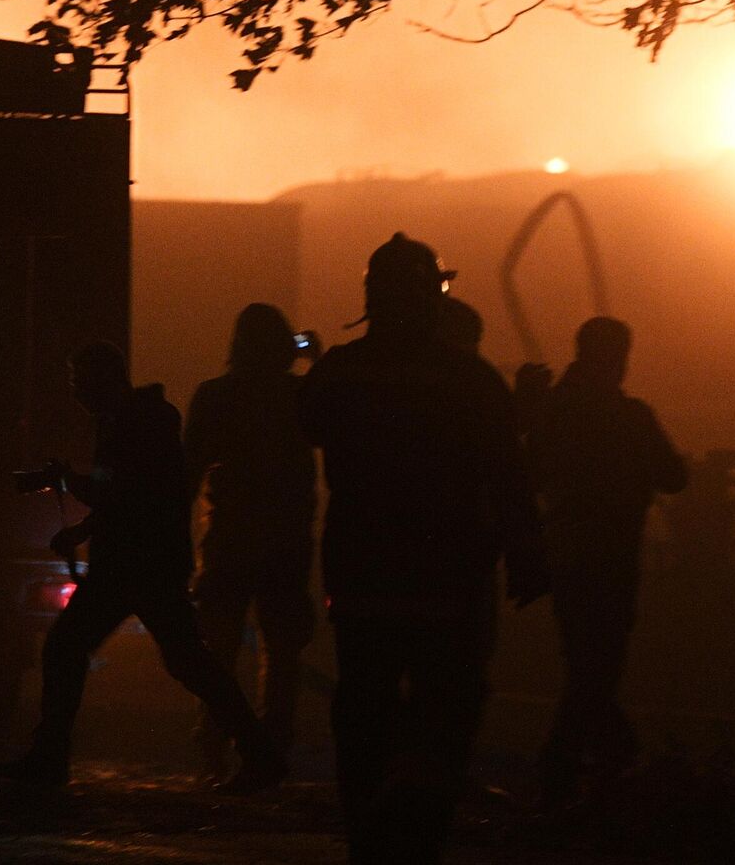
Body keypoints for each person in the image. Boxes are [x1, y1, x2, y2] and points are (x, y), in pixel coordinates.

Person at [302, 234, 547, 865]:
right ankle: (422, 830)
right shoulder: (469, 378)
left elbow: (299, 430)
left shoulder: (341, 372)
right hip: (450, 577)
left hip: (361, 575)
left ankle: (369, 831)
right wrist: (526, 553)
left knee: (362, 707)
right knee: (450, 710)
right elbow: (507, 473)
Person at [0, 340, 287, 792]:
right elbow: (130, 495)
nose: (77, 394)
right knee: (187, 662)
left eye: (81, 383)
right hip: (145, 565)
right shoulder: (136, 421)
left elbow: (124, 494)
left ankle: (49, 759)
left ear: (104, 381)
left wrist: (70, 483)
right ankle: (260, 752)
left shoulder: (135, 425)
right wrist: (84, 527)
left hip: (136, 567)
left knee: (74, 650)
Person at [525, 316, 687, 806]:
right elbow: (674, 476)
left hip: (569, 553)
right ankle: (585, 763)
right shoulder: (630, 416)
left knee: (586, 665)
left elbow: (530, 473)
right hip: (612, 556)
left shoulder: (555, 411)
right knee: (598, 667)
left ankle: (587, 763)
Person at [185, 304, 318, 766]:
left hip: (230, 539)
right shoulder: (301, 396)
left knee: (217, 650)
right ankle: (271, 745)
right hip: (286, 543)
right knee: (281, 653)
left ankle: (213, 742)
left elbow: (189, 472)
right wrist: (313, 360)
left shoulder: (215, 396)